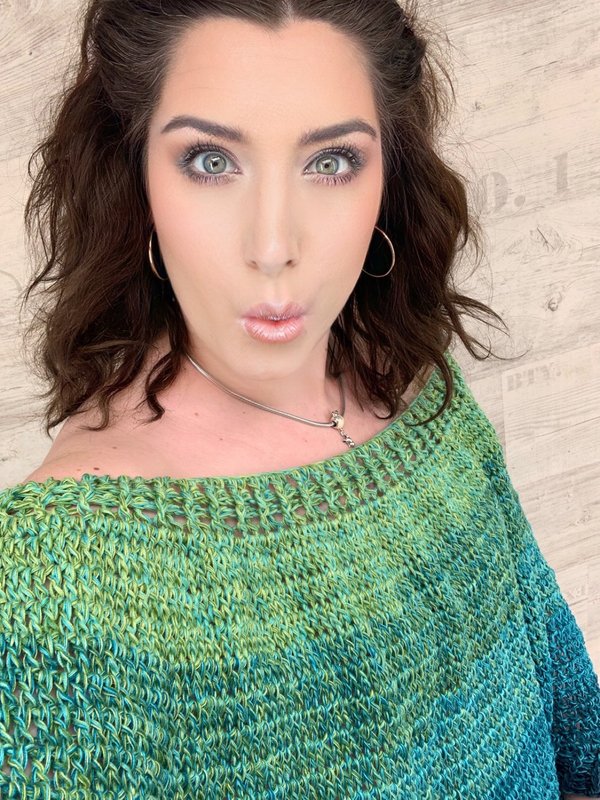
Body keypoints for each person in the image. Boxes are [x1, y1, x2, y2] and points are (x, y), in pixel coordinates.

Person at [0, 0, 598, 796]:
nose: (274, 246)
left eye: (332, 162)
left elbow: (563, 713)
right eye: (210, 161)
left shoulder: (423, 395)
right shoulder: (60, 583)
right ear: (136, 177)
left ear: (388, 178)